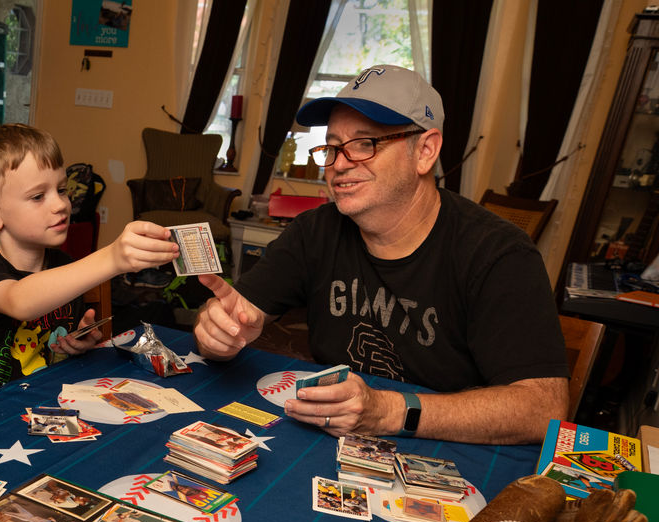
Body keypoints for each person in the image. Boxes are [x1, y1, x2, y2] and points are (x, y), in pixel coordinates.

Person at [193, 65, 568, 445]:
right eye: (333, 146)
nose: (339, 164)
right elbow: (237, 316)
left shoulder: (500, 255)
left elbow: (542, 409)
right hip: (329, 441)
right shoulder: (315, 230)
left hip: (446, 453)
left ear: (425, 152)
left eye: (364, 143)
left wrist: (387, 411)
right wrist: (219, 331)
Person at [0, 123, 179, 408]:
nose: (61, 205)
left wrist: (79, 342)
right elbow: (19, 300)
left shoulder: (65, 267)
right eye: (38, 196)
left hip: (46, 404)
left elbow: (61, 340)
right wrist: (113, 258)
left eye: (62, 189)